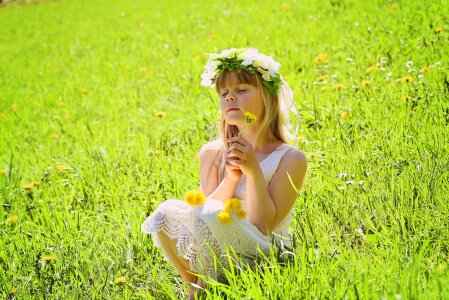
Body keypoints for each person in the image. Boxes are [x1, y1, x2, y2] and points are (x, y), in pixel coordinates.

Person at [142, 47, 307, 299]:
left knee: (210, 212)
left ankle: (208, 285)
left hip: (264, 252)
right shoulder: (212, 153)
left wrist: (252, 171)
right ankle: (195, 287)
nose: (230, 97)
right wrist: (231, 177)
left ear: (268, 97)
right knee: (166, 212)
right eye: (223, 93)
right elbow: (201, 218)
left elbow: (264, 225)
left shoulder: (290, 158)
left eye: (241, 90)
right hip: (220, 244)